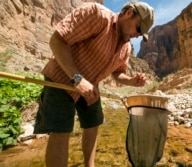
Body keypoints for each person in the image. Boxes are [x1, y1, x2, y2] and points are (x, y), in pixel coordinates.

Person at [33, 1, 154, 167]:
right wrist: (77, 79)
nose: (138, 35)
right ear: (129, 13)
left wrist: (132, 81)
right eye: (139, 28)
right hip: (61, 79)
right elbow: (57, 41)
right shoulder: (97, 14)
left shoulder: (126, 47)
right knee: (61, 132)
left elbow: (117, 73)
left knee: (93, 124)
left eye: (142, 34)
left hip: (91, 87)